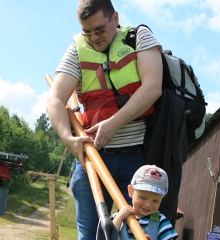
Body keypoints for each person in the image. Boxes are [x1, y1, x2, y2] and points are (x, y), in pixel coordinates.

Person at [46, 0, 163, 239]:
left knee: (132, 235)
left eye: (100, 29)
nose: (94, 37)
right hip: (92, 157)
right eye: (87, 32)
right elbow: (55, 100)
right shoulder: (76, 51)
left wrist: (113, 124)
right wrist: (69, 139)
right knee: (89, 235)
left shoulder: (139, 37)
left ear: (115, 19)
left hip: (135, 160)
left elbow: (152, 88)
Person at [111, 165, 178, 240]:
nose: (148, 205)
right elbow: (106, 236)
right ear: (131, 191)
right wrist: (119, 217)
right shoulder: (118, 217)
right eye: (143, 197)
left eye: (155, 200)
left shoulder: (161, 221)